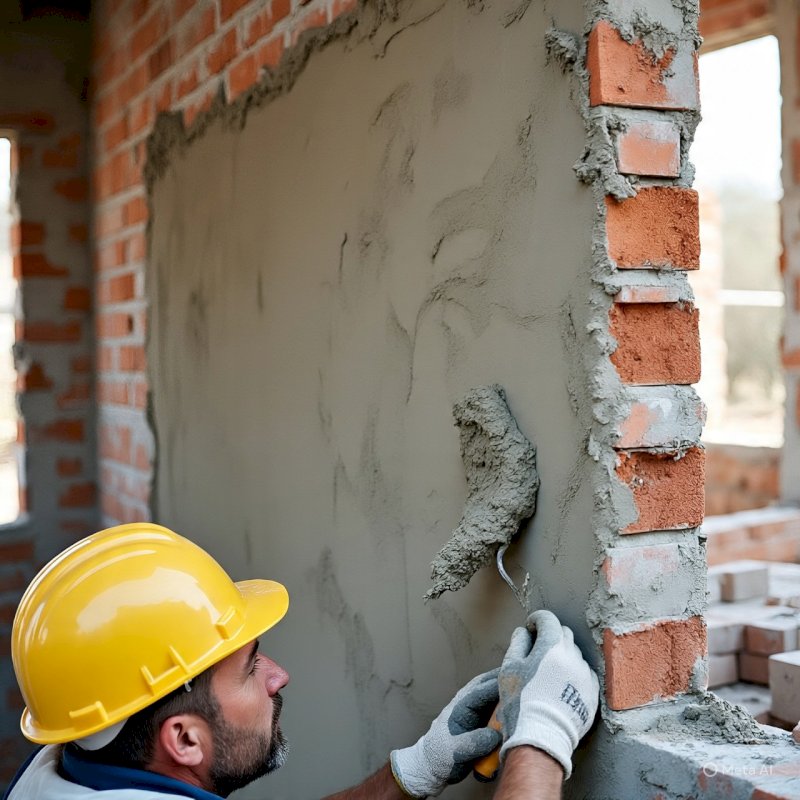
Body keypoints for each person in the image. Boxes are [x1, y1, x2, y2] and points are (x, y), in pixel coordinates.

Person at [4, 522, 599, 800]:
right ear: (183, 739)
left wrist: (409, 773)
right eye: (249, 668)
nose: (278, 676)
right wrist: (540, 744)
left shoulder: (62, 768)